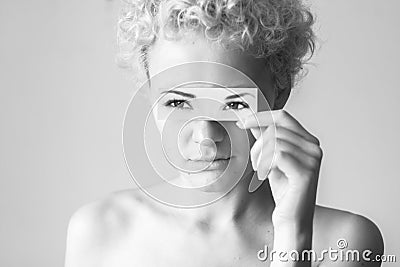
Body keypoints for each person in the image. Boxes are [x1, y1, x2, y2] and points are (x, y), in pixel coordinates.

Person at [64, 0, 384, 266]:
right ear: (148, 95)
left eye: (233, 104)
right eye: (177, 102)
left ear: (280, 92)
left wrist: (292, 237)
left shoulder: (344, 243)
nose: (205, 134)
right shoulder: (99, 231)